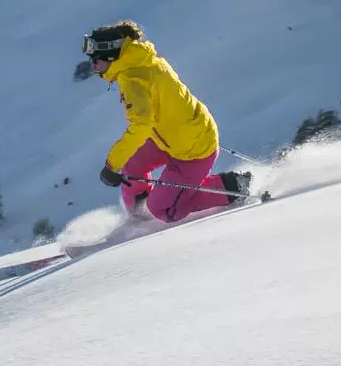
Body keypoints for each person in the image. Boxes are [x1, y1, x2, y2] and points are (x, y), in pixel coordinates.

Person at [84, 20, 231, 223]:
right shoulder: (141, 60)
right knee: (132, 165)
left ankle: (230, 187)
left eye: (95, 60)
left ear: (110, 55)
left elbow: (141, 126)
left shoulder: (133, 79)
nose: (92, 65)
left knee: (164, 210)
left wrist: (111, 165)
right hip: (174, 137)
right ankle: (141, 213)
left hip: (193, 150)